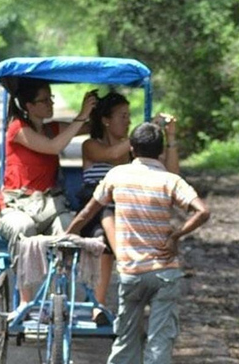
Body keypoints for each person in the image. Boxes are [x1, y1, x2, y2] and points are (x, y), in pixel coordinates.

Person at [66, 122, 210, 364]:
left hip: (132, 273)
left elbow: (87, 213)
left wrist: (66, 235)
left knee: (126, 338)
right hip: (164, 272)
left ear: (131, 149)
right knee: (160, 339)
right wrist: (175, 235)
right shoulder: (171, 180)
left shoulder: (116, 175)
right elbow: (203, 212)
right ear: (161, 151)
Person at [79, 91, 180, 324]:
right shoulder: (91, 146)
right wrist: (144, 132)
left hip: (130, 209)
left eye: (129, 117)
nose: (127, 122)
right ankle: (99, 304)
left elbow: (172, 175)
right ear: (106, 120)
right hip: (96, 210)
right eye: (122, 117)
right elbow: (112, 154)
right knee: (103, 238)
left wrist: (169, 137)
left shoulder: (135, 153)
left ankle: (148, 297)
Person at [0, 78, 97, 310]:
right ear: (29, 106)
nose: (50, 104)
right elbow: (54, 147)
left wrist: (97, 111)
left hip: (50, 204)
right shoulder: (17, 129)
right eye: (44, 100)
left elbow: (86, 127)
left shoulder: (52, 128)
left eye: (50, 98)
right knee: (23, 229)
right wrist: (81, 115)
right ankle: (25, 301)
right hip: (17, 205)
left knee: (69, 230)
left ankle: (58, 293)